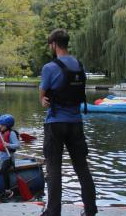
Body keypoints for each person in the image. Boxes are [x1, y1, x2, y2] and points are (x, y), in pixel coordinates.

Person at [39, 28, 97, 216]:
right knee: (82, 168)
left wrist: (43, 100)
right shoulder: (79, 65)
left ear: (54, 44)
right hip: (76, 123)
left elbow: (43, 96)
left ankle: (53, 212)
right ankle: (90, 210)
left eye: (50, 44)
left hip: (55, 123)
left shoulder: (49, 67)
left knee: (54, 169)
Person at [0, 114, 20, 200]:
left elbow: (17, 145)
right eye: (1, 125)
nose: (0, 126)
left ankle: (8, 190)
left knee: (3, 169)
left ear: (7, 126)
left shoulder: (12, 133)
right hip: (1, 157)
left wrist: (8, 144)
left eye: (2, 125)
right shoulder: (1, 132)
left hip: (9, 158)